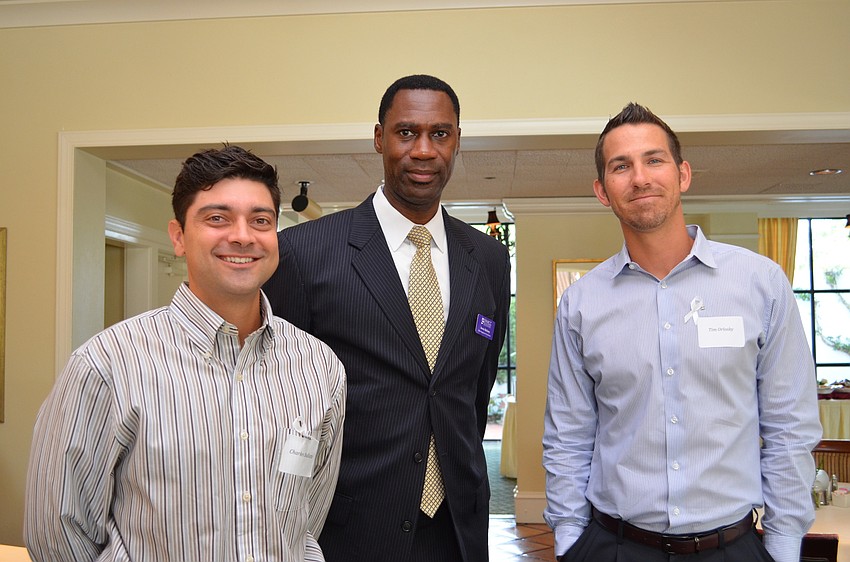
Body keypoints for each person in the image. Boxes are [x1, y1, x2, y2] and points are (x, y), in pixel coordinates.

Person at [25, 145, 346, 562]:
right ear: (178, 237)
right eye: (217, 218)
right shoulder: (107, 365)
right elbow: (57, 534)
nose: (243, 236)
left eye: (260, 220)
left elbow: (306, 516)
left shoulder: (319, 367)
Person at [542, 103, 822, 562]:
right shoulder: (580, 304)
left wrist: (784, 545)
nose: (640, 178)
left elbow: (789, 426)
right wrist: (570, 540)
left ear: (683, 174)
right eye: (621, 166)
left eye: (654, 160)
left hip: (733, 547)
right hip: (614, 546)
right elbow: (568, 434)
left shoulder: (761, 283)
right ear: (602, 190)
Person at [263, 74, 511, 562]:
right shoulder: (304, 252)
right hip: (352, 527)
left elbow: (474, 389)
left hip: (458, 525)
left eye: (440, 134)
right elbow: (280, 400)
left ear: (457, 141)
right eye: (406, 132)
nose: (424, 150)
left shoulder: (488, 258)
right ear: (380, 138)